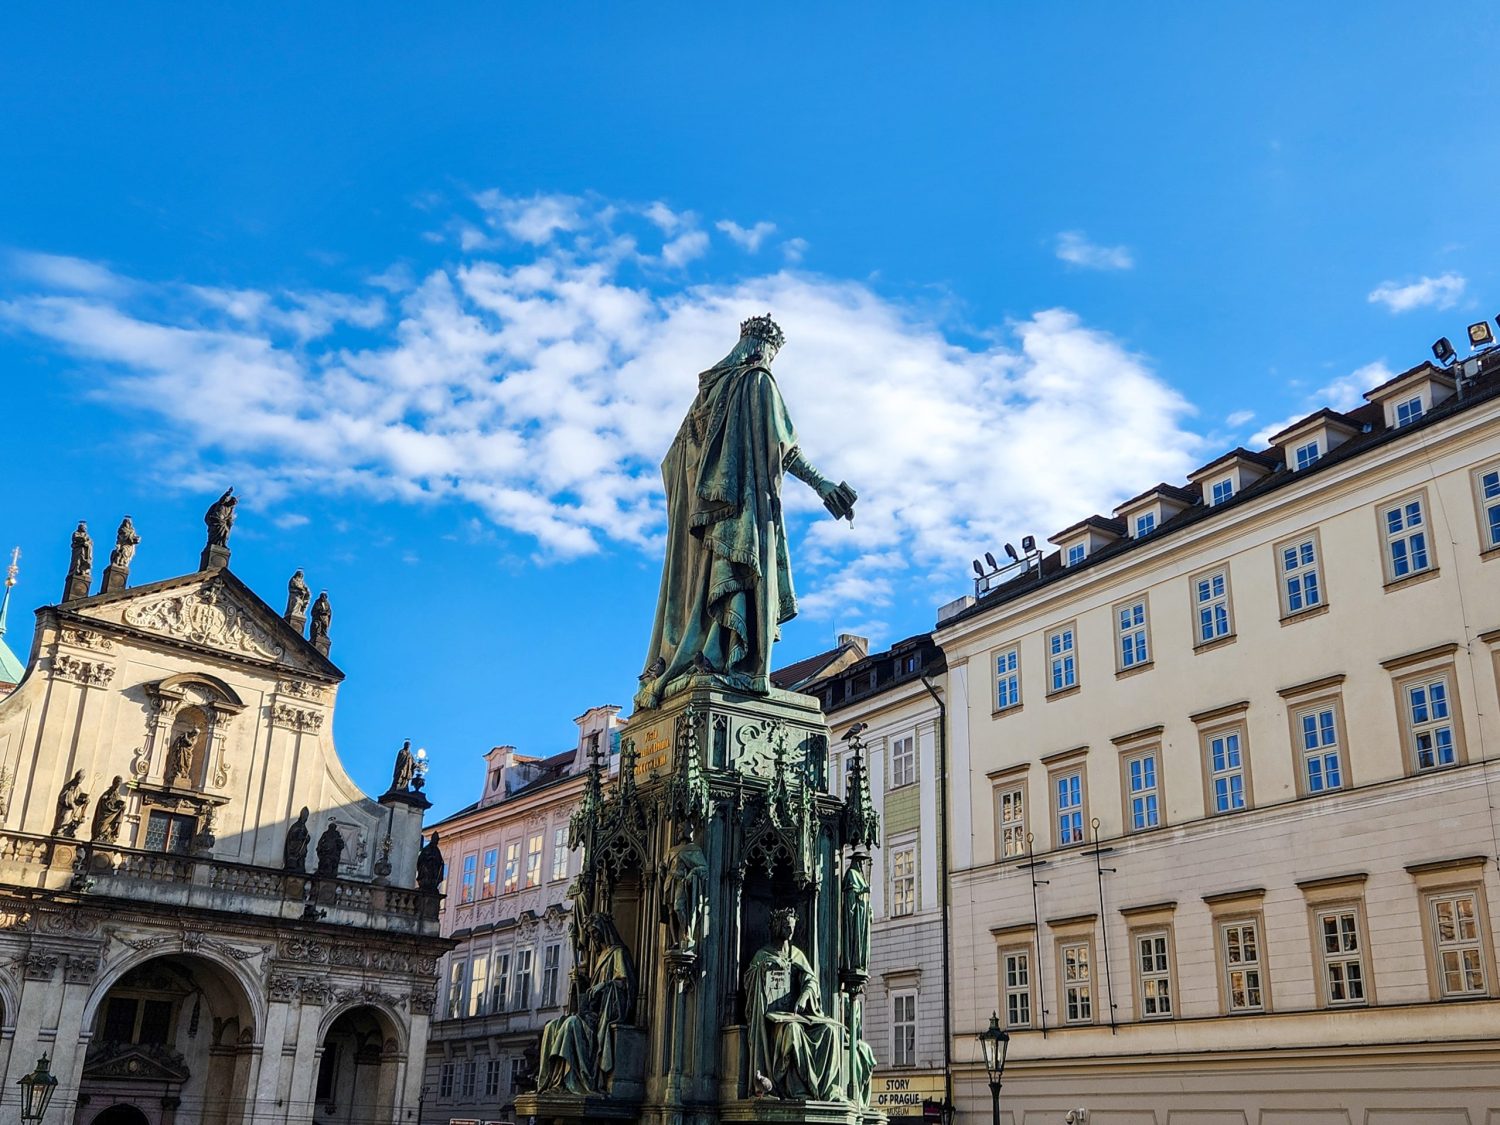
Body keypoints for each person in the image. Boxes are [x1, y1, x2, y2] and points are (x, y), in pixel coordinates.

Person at [635, 315, 856, 709]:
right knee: (738, 581)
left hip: (702, 529)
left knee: (713, 587)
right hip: (744, 515)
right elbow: (782, 447)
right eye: (771, 352)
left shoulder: (704, 397)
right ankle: (727, 659)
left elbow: (673, 465)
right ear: (763, 348)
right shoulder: (757, 381)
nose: (769, 359)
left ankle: (703, 655)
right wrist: (822, 484)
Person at [743, 907, 843, 1099]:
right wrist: (762, 972)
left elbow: (811, 981)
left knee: (829, 1032)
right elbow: (749, 982)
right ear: (777, 927)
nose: (791, 931)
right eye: (787, 927)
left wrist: (804, 996)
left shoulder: (796, 954)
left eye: (793, 927)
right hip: (773, 1022)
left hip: (797, 1015)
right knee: (793, 1031)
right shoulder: (762, 955)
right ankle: (798, 1089)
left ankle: (827, 1090)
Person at [537, 913, 638, 1095]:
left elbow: (625, 984)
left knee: (571, 1024)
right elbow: (591, 989)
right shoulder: (600, 956)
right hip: (592, 1012)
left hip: (605, 1014)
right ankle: (552, 1081)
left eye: (595, 933)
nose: (593, 937)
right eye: (591, 934)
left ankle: (570, 1080)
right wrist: (580, 981)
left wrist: (604, 985)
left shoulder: (618, 953)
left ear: (604, 931)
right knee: (551, 1026)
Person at [284, 807, 311, 872]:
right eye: (304, 817)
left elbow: (306, 835)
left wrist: (307, 838)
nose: (305, 819)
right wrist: (301, 836)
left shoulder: (303, 827)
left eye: (306, 817)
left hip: (301, 848)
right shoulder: (296, 825)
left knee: (302, 856)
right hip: (294, 848)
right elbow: (293, 836)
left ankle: (300, 865)